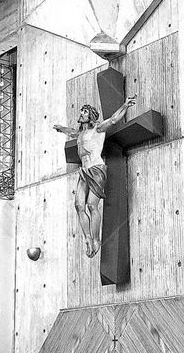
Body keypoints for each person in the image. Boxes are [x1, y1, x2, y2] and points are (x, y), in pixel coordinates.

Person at [54, 96, 136, 258]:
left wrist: (125, 105)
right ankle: (87, 238)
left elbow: (113, 119)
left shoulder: (97, 129)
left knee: (92, 205)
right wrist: (61, 128)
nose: (81, 114)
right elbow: (71, 132)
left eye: (84, 112)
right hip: (84, 172)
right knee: (78, 206)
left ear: (90, 115)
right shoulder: (80, 133)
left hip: (97, 169)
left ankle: (96, 240)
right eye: (81, 111)